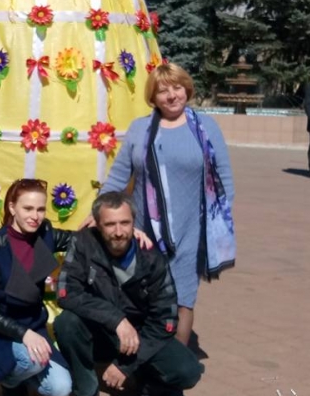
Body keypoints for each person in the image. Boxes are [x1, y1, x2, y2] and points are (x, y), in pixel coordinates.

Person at [81, 63, 235, 347]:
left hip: (191, 230)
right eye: (163, 91)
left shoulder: (205, 127)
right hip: (144, 232)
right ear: (153, 97)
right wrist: (98, 212)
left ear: (187, 89)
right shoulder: (140, 129)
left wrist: (216, 226)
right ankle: (142, 362)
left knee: (181, 300)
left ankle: (171, 371)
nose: (172, 95)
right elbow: (118, 176)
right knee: (145, 297)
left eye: (177, 88)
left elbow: (223, 179)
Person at [55, 192, 204, 396]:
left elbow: (166, 320)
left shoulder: (152, 258)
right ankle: (85, 390)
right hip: (101, 329)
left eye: (125, 223)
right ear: (97, 225)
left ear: (134, 223)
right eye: (110, 224)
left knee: (188, 371)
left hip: (141, 335)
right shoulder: (83, 243)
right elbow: (66, 293)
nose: (118, 231)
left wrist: (125, 366)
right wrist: (116, 319)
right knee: (66, 322)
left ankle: (148, 382)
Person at [0, 179, 73, 396]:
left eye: (40, 209)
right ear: (12, 207)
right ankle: (10, 387)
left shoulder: (46, 233)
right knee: (33, 361)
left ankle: (22, 374)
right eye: (28, 209)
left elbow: (82, 240)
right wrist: (25, 335)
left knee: (61, 389)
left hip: (34, 323)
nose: (35, 216)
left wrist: (119, 231)